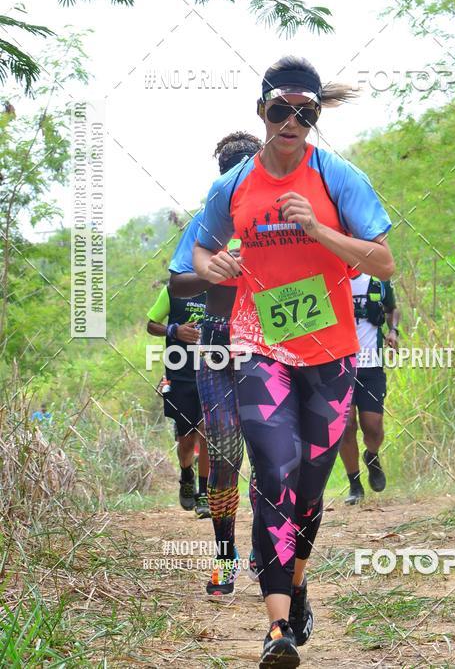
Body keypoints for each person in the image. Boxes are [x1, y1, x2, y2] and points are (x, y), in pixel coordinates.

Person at [192, 56, 395, 668]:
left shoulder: (337, 177)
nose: (291, 121)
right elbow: (199, 251)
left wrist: (319, 230)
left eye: (304, 113)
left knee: (309, 485)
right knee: (274, 470)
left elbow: (383, 261)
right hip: (260, 346)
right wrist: (213, 266)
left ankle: (297, 584)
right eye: (280, 109)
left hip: (331, 352)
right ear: (261, 111)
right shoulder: (233, 185)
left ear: (315, 117)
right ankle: (277, 627)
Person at [169, 131, 263, 595]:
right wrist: (212, 270)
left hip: (268, 343)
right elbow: (177, 284)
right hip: (217, 344)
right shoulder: (208, 223)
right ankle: (225, 559)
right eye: (232, 171)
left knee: (269, 454)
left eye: (249, 167)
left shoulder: (275, 217)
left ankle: (265, 553)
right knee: (224, 455)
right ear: (221, 177)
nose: (240, 178)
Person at [146, 285, 210, 516]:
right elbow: (151, 325)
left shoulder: (217, 290)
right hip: (180, 375)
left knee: (207, 433)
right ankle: (186, 475)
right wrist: (174, 331)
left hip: (212, 372)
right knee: (186, 440)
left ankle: (204, 493)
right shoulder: (172, 291)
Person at [339, 273, 399, 505]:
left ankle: (371, 456)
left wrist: (393, 330)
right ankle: (354, 484)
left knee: (373, 428)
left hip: (371, 365)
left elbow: (392, 308)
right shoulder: (331, 276)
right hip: (339, 365)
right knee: (346, 427)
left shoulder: (377, 280)